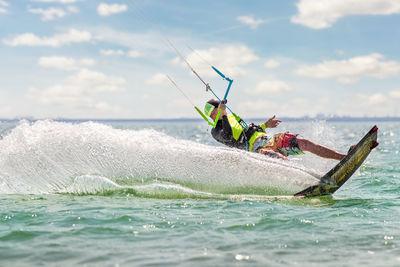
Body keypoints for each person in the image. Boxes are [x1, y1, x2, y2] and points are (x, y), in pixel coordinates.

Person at [204, 99, 346, 160]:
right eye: (214, 112)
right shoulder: (215, 131)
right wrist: (225, 116)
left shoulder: (232, 118)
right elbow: (228, 136)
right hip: (255, 152)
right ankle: (311, 183)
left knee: (304, 142)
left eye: (218, 110)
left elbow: (248, 131)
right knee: (279, 159)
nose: (214, 114)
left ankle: (343, 158)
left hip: (268, 140)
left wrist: (266, 125)